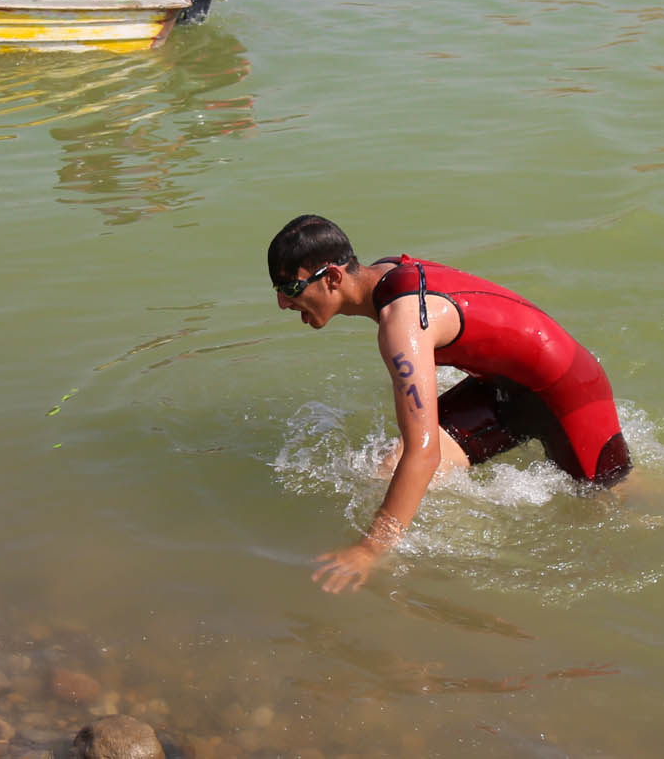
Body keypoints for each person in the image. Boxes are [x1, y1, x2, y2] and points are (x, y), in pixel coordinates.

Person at [266, 214, 631, 594]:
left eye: (291, 288)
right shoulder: (386, 275)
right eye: (278, 289)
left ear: (332, 277)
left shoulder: (401, 322)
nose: (282, 302)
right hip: (503, 387)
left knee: (611, 505)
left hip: (570, 390)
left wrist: (369, 550)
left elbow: (424, 454)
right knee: (387, 471)